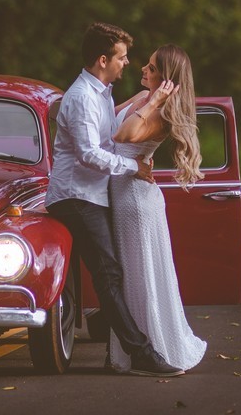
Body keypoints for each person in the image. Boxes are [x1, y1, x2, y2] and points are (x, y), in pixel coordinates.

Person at [45, 22, 184, 377]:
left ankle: (121, 349)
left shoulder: (102, 92)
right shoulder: (80, 98)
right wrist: (133, 166)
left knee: (111, 272)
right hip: (76, 195)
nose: (127, 63)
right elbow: (90, 154)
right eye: (122, 57)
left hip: (94, 194)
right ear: (103, 59)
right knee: (108, 273)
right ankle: (139, 354)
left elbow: (114, 137)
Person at [107, 44, 208, 374]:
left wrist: (153, 101)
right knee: (130, 276)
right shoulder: (143, 98)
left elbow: (124, 134)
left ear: (166, 79)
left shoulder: (162, 113)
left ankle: (154, 351)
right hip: (124, 193)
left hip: (136, 200)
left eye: (151, 68)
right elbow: (109, 123)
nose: (143, 71)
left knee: (142, 276)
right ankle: (130, 352)